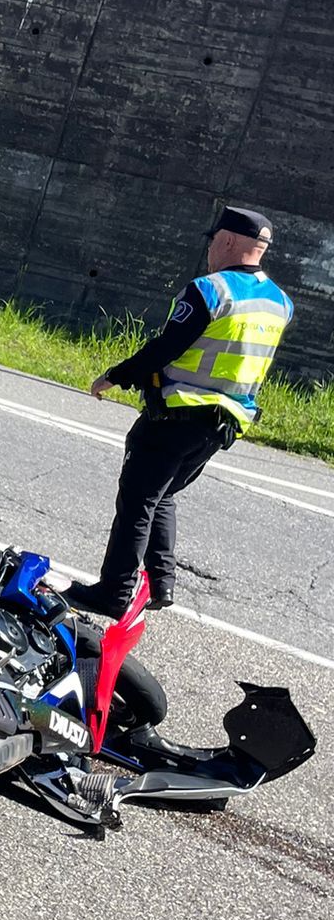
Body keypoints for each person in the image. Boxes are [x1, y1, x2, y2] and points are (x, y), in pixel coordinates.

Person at [64, 207, 292, 618]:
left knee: (136, 502)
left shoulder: (210, 290)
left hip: (176, 415)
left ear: (225, 241)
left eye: (212, 241)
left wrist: (115, 376)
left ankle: (114, 592)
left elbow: (166, 348)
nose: (209, 249)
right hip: (222, 425)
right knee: (163, 493)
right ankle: (161, 583)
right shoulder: (280, 302)